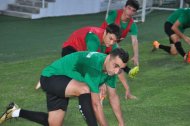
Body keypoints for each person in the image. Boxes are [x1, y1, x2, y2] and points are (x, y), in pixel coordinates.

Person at [0, 48, 129, 126]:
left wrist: (121, 122)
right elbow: (96, 104)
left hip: (65, 82)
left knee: (54, 123)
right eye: (116, 66)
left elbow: (113, 96)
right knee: (85, 89)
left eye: (121, 68)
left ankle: (15, 111)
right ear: (108, 57)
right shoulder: (94, 67)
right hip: (52, 77)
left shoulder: (111, 70)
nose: (117, 71)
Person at [100, 0, 140, 100]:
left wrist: (136, 56)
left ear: (135, 13)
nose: (130, 12)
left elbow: (134, 41)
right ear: (124, 7)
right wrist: (116, 48)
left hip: (111, 47)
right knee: (102, 68)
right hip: (100, 44)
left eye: (133, 10)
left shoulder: (132, 25)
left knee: (116, 67)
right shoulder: (114, 14)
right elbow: (110, 31)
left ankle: (128, 91)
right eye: (129, 8)